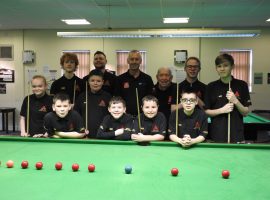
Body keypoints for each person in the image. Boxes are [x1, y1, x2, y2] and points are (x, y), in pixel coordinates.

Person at [204, 53, 251, 143]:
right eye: (219, 66)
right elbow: (206, 112)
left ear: (232, 66)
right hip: (217, 135)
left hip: (237, 135)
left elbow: (245, 112)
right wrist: (222, 110)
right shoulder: (211, 86)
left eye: (226, 65)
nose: (222, 69)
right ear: (216, 68)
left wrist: (235, 101)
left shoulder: (242, 85)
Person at [74, 69, 111, 138]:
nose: (95, 83)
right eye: (92, 80)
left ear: (103, 82)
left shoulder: (108, 97)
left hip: (103, 134)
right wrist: (80, 130)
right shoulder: (82, 96)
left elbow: (111, 117)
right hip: (84, 135)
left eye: (98, 81)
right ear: (88, 82)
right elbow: (76, 116)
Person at [116, 50, 154, 116]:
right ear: (128, 61)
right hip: (124, 117)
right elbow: (117, 99)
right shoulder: (120, 79)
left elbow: (151, 99)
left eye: (136, 59)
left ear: (140, 61)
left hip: (144, 117)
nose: (134, 61)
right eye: (132, 59)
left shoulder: (147, 79)